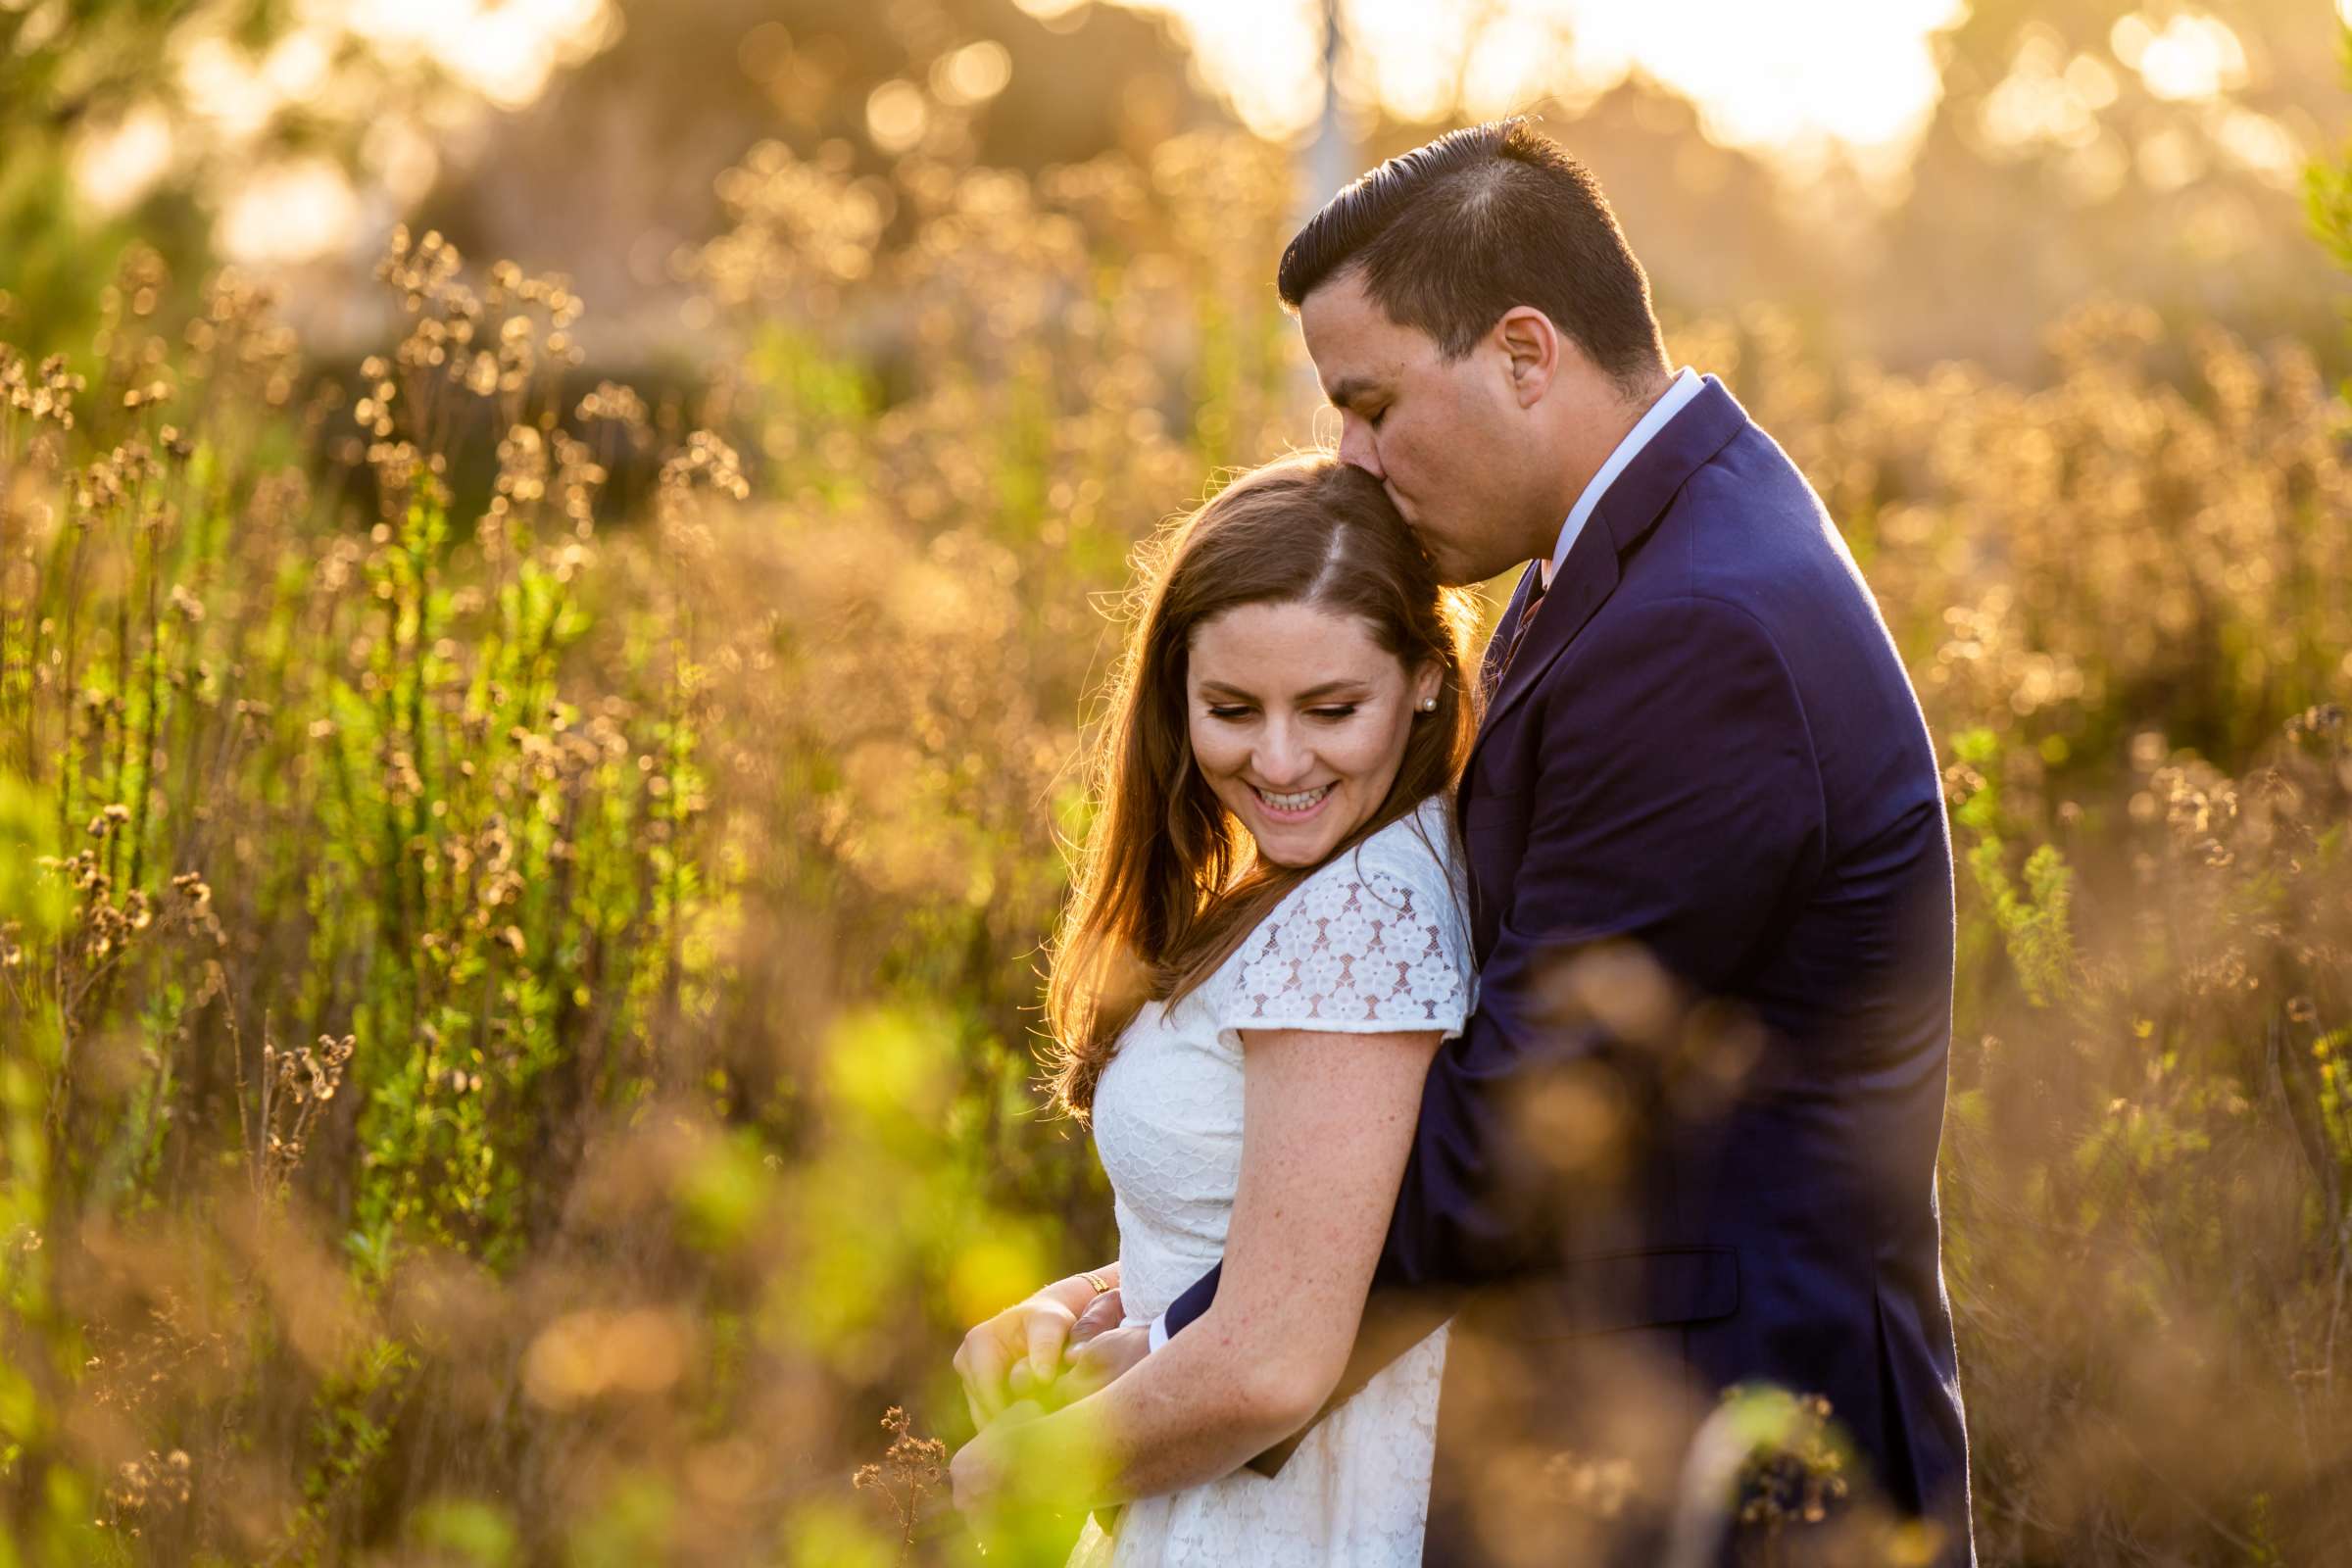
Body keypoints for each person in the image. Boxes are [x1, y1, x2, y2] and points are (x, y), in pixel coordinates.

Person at [959, 119, 1975, 1566]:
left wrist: (1183, 1361)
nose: (1351, 460)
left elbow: (1503, 1139)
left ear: (1521, 351)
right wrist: (1147, 1296)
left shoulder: (1706, 627)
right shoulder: (1645, 551)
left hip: (1732, 1466)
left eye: (1369, 404)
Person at [950, 452, 1483, 1563]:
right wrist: (1096, 1303)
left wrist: (1027, 1473)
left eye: (1332, 707)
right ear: (1174, 691)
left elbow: (1269, 1362)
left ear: (1428, 677)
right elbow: (1308, 1220)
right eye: (1232, 708)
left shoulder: (1359, 913)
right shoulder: (1320, 875)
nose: (1280, 758)